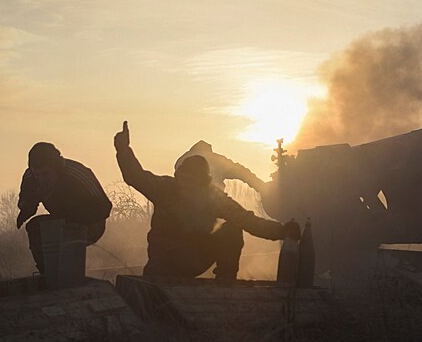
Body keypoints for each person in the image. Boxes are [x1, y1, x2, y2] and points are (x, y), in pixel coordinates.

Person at [114, 121, 300, 283]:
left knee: (231, 228)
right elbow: (135, 176)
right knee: (231, 228)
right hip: (165, 260)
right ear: (179, 177)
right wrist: (123, 150)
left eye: (192, 181)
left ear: (203, 182)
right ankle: (223, 284)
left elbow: (248, 221)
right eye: (185, 180)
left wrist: (282, 230)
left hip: (193, 257)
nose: (188, 186)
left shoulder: (212, 197)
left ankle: (225, 284)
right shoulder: (166, 189)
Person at [16, 142, 113, 274]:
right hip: (60, 220)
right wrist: (26, 209)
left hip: (91, 222)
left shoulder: (77, 174)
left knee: (68, 234)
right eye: (37, 174)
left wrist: (75, 218)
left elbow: (104, 207)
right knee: (35, 227)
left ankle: (70, 276)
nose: (41, 179)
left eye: (46, 174)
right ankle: (47, 273)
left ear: (57, 168)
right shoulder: (30, 177)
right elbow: (27, 201)